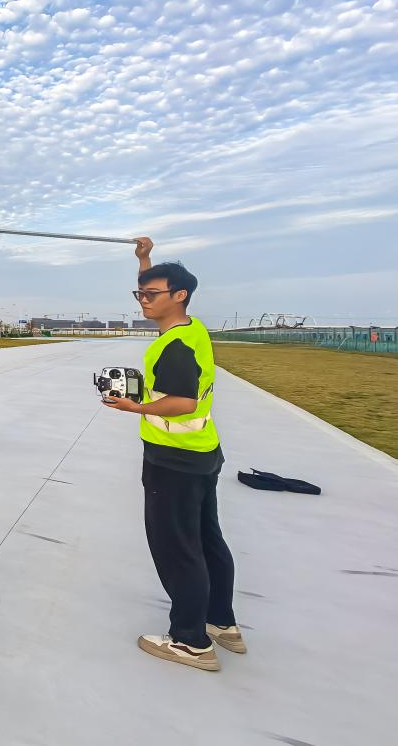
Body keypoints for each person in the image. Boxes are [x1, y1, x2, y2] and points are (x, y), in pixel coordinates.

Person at [101, 237, 244, 671]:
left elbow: (181, 402)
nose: (143, 300)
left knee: (177, 548)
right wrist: (144, 261)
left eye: (151, 294)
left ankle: (190, 640)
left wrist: (136, 407)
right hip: (200, 451)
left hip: (174, 459)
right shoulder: (189, 329)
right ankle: (221, 621)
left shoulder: (174, 346)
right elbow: (184, 398)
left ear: (179, 296)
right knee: (206, 539)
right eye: (140, 293)